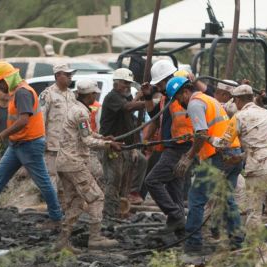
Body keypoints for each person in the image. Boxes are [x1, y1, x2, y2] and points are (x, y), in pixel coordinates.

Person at [0, 61, 62, 228]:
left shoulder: (23, 92)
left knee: (43, 182)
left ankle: (56, 218)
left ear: (8, 78)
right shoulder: (17, 91)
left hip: (29, 143)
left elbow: (23, 120)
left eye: (1, 81)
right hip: (17, 143)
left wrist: (1, 136)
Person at [167, 76, 243, 253]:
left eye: (178, 98)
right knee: (226, 199)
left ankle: (193, 243)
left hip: (218, 157)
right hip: (234, 153)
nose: (179, 103)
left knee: (196, 198)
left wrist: (188, 157)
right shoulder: (209, 99)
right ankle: (236, 241)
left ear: (185, 92)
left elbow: (201, 133)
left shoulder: (194, 103)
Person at [212, 84, 267, 243]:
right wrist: (241, 156)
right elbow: (261, 141)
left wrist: (208, 138)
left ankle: (255, 249)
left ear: (238, 100)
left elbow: (223, 143)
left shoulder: (239, 117)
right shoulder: (266, 113)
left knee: (254, 210)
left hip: (259, 167)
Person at [55, 79, 122, 251]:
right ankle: (95, 238)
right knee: (97, 197)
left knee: (76, 203)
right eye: (95, 93)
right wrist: (108, 145)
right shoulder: (82, 113)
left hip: (63, 163)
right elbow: (87, 140)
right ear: (90, 94)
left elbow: (86, 133)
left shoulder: (74, 108)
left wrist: (103, 137)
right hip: (74, 163)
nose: (96, 96)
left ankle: (63, 242)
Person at [142, 60, 194, 235]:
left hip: (179, 146)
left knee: (152, 181)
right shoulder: (167, 97)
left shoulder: (181, 94)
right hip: (173, 146)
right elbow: (154, 116)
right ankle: (180, 230)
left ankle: (175, 215)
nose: (160, 87)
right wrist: (148, 97)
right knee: (174, 188)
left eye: (160, 84)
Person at [99, 68, 148, 217]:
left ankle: (128, 198)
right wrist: (147, 101)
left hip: (124, 145)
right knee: (114, 179)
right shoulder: (112, 97)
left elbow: (128, 113)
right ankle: (110, 211)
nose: (127, 86)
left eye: (129, 83)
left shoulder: (125, 97)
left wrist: (139, 97)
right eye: (125, 83)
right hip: (112, 144)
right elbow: (128, 107)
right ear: (116, 83)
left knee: (140, 162)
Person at [39, 64, 76, 206]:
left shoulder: (71, 94)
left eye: (70, 75)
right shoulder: (47, 94)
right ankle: (52, 207)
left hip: (69, 145)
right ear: (57, 75)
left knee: (66, 177)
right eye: (67, 75)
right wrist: (41, 140)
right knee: (52, 176)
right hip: (53, 144)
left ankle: (64, 207)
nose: (70, 77)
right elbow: (40, 119)